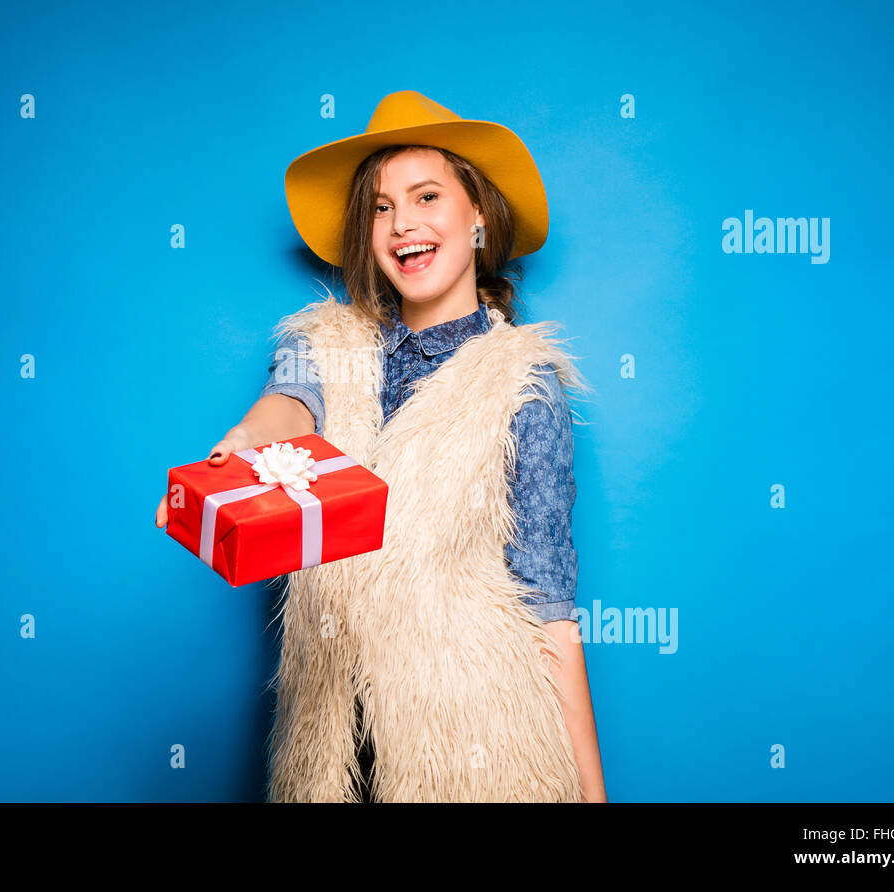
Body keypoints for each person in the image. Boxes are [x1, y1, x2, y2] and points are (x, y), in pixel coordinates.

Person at [156, 90, 606, 802]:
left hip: (480, 750)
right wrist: (242, 444)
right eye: (381, 207)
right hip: (333, 742)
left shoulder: (526, 384)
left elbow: (548, 602)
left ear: (477, 213)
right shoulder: (328, 346)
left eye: (427, 196)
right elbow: (292, 408)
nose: (403, 224)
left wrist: (592, 793)